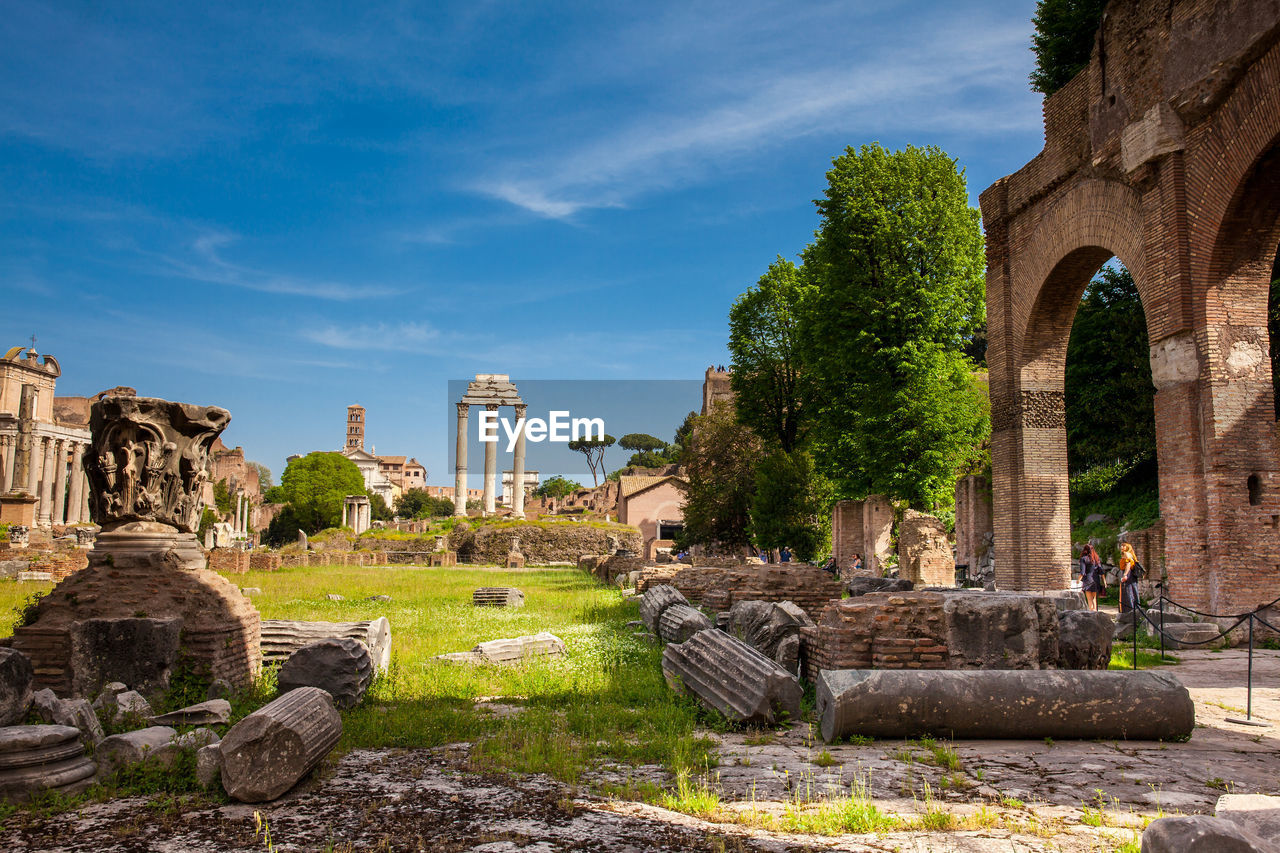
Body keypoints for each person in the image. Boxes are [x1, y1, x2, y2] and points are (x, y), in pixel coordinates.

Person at [1078, 543, 1104, 611]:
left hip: (1088, 580)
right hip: (1096, 579)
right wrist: (1104, 581)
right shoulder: (1096, 558)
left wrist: (1078, 581)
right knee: (1094, 598)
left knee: (1089, 599)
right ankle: (1095, 611)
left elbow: (1082, 572)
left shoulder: (1083, 559)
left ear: (1085, 550)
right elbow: (1101, 571)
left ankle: (1092, 612)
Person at [1118, 542, 1141, 612]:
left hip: (1128, 574)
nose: (1122, 547)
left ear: (1127, 547)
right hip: (1131, 575)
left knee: (1128, 591)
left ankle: (1129, 609)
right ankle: (1135, 608)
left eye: (1124, 546)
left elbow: (1128, 565)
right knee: (1133, 590)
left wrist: (1125, 575)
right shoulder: (1131, 554)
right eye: (1121, 546)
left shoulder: (1126, 554)